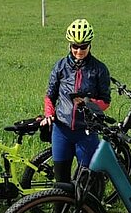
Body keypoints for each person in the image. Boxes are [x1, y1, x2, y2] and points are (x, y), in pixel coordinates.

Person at [41, 18, 112, 185]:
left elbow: (106, 101)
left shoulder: (99, 69)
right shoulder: (60, 66)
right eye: (75, 46)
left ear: (90, 45)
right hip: (62, 130)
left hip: (86, 132)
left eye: (83, 47)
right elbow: (50, 95)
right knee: (61, 183)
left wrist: (88, 103)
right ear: (70, 45)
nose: (79, 51)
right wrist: (49, 114)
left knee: (87, 183)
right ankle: (61, 205)